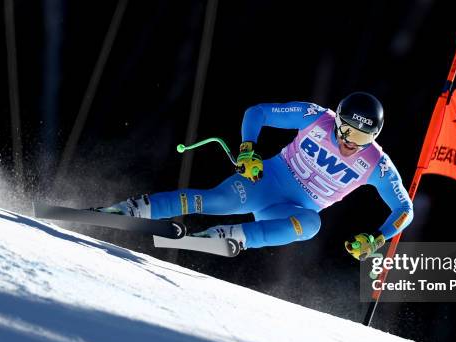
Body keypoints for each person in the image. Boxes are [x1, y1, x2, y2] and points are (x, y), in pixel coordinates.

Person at [102, 92, 413, 260]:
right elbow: (257, 112)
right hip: (265, 183)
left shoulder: (376, 163)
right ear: (338, 120)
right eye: (346, 130)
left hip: (291, 209)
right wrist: (248, 150)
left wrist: (378, 238)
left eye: (361, 138)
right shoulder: (316, 117)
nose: (349, 142)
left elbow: (405, 209)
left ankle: (232, 236)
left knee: (312, 225)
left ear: (374, 136)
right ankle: (133, 209)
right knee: (215, 201)